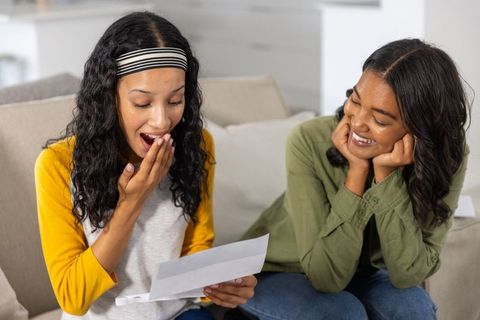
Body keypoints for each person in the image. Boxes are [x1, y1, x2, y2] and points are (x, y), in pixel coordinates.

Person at [34, 11, 256, 320]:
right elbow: (73, 297)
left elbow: (196, 247)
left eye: (175, 101)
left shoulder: (197, 144)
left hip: (180, 315)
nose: (162, 121)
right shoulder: (57, 165)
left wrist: (217, 283)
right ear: (109, 98)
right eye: (142, 103)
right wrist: (131, 204)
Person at [239, 38, 470, 320]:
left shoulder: (447, 155)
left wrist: (386, 178)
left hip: (365, 273)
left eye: (381, 120)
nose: (358, 122)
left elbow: (409, 274)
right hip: (281, 270)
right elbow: (326, 278)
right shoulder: (308, 140)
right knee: (341, 312)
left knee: (412, 307)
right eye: (355, 100)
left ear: (420, 129)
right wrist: (357, 171)